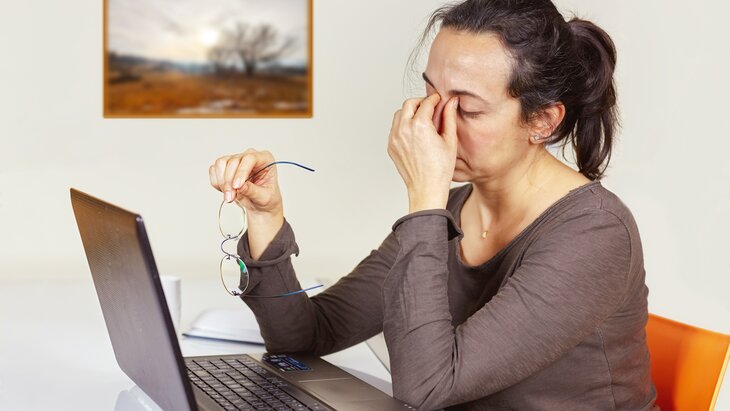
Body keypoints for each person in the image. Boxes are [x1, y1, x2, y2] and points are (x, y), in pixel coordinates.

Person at [208, 0, 657, 409]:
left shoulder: (596, 233)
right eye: (431, 95)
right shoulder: (456, 207)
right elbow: (303, 337)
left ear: (542, 121)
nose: (435, 124)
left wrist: (425, 197)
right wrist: (265, 216)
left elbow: (425, 388)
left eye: (468, 110)